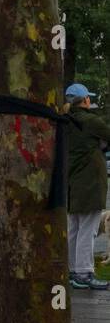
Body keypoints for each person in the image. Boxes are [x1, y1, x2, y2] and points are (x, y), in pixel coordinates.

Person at [64, 83, 110, 290]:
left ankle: (73, 270)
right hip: (90, 183)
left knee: (74, 228)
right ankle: (84, 273)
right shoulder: (91, 121)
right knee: (87, 231)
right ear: (85, 100)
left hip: (72, 182)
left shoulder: (64, 122)